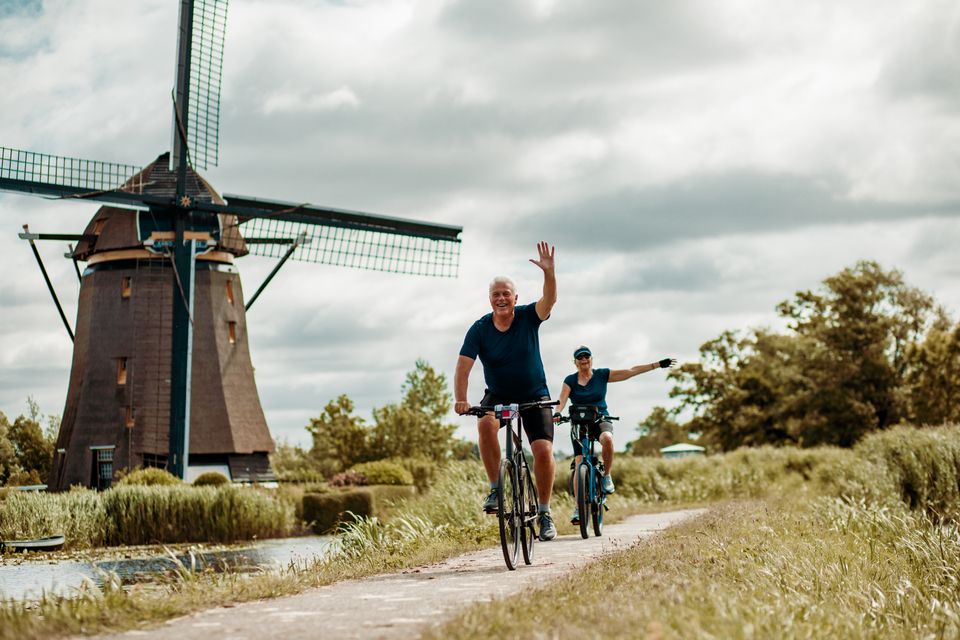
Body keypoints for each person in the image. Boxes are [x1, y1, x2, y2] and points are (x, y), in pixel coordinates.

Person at [455, 241, 559, 541]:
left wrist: (549, 274)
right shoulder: (479, 329)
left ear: (515, 297)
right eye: (496, 295)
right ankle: (495, 488)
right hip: (499, 394)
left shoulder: (528, 316)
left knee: (542, 449)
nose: (501, 299)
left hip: (535, 394)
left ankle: (544, 511)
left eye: (506, 294)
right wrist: (461, 398)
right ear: (490, 300)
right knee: (485, 422)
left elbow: (549, 301)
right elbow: (463, 366)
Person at [555, 346, 675, 524]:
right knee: (579, 463)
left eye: (586, 356)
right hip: (579, 424)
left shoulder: (602, 375)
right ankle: (579, 509)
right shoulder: (570, 380)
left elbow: (630, 372)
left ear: (591, 359)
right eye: (579, 358)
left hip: (600, 419)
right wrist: (557, 412)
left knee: (607, 440)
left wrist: (657, 365)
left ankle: (606, 476)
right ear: (575, 362)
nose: (583, 360)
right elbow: (562, 399)